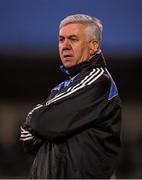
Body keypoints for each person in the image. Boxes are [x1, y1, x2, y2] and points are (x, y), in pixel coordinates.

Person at [20, 14, 122, 179]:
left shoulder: (98, 80)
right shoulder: (61, 89)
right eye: (61, 39)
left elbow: (39, 122)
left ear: (93, 46)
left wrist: (35, 117)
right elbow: (27, 140)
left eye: (73, 39)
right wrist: (40, 123)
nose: (65, 46)